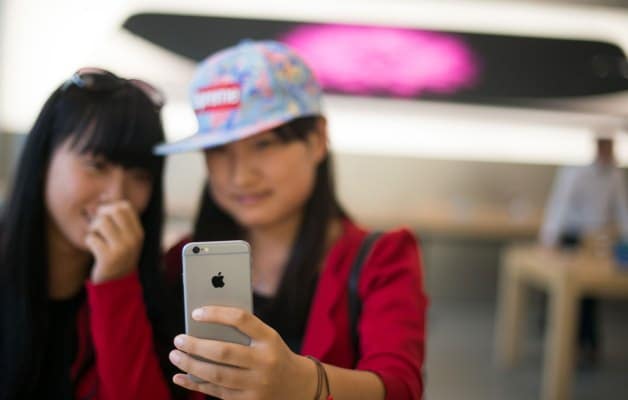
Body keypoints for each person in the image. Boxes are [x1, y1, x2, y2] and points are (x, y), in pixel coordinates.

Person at [156, 40, 428, 400]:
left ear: (317, 140)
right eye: (219, 150)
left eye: (263, 144)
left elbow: (400, 388)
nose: (240, 176)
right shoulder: (180, 262)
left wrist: (302, 383)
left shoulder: (381, 258)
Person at [0, 68, 178, 399]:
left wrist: (116, 284)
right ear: (43, 161)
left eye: (140, 175)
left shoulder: (157, 294)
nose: (117, 196)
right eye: (97, 165)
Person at [539, 131, 628, 364]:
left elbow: (621, 207)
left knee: (589, 294)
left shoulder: (614, 175)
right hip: (572, 236)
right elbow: (559, 205)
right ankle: (569, 343)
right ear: (598, 148)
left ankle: (588, 345)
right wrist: (549, 238)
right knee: (568, 292)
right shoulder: (575, 173)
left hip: (597, 238)